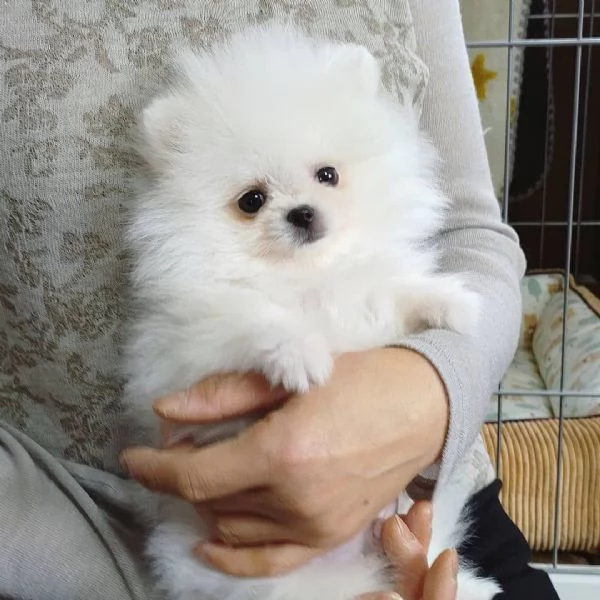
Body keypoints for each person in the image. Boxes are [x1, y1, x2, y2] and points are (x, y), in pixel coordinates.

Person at [0, 1, 558, 599]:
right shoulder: (210, 306)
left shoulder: (379, 253)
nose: (301, 208)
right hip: (180, 535)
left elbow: (468, 246)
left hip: (414, 502)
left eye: (326, 176)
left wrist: (437, 382)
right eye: (251, 201)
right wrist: (267, 340)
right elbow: (193, 362)